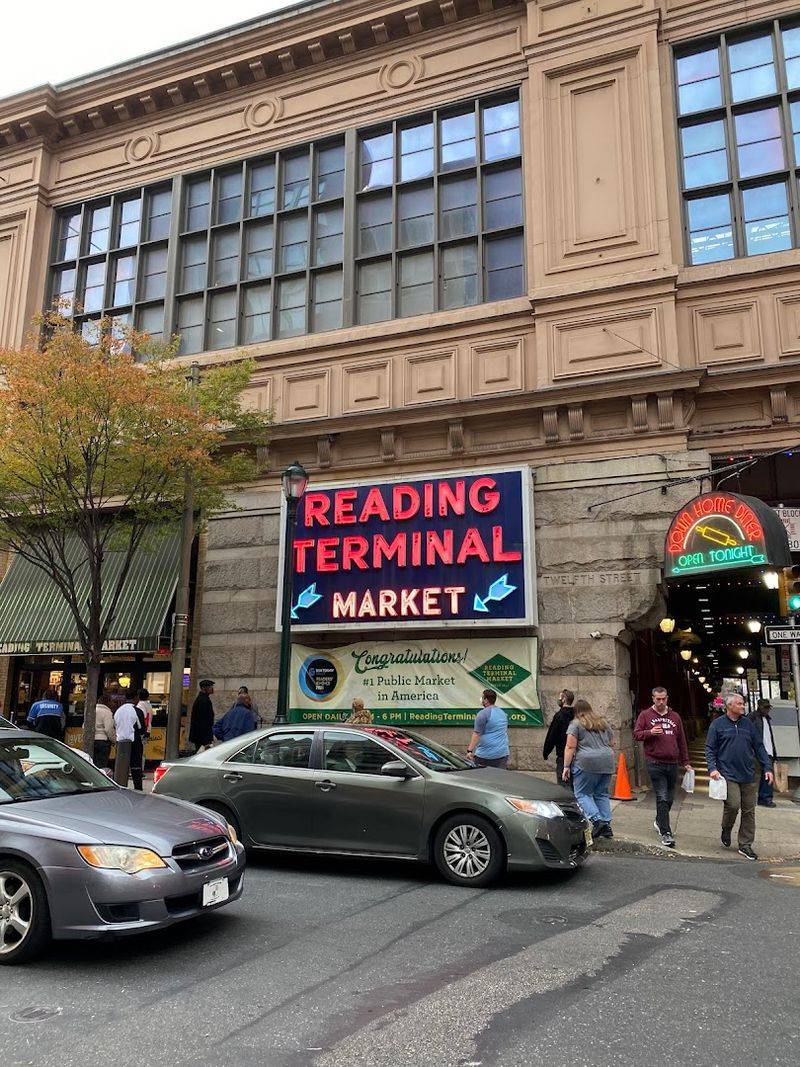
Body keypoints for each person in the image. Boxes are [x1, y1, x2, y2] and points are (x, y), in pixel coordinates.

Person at [706, 692, 774, 860]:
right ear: (729, 706)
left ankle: (745, 844)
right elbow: (710, 748)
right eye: (739, 704)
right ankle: (726, 827)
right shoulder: (717, 725)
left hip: (748, 774)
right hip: (727, 774)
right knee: (733, 805)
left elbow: (759, 747)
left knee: (749, 810)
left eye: (743, 703)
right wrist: (712, 768)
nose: (743, 706)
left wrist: (767, 767)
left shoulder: (748, 724)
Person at [633, 686, 692, 848]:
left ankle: (660, 820)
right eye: (658, 699)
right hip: (654, 762)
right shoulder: (645, 715)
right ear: (653, 699)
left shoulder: (675, 716)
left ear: (667, 698)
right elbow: (636, 734)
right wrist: (650, 732)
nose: (661, 702)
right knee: (662, 796)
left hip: (672, 762)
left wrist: (685, 761)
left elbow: (681, 740)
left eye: (663, 699)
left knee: (670, 797)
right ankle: (666, 832)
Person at [562, 698, 615, 839]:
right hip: (607, 760)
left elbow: (570, 747)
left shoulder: (575, 724)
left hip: (586, 762)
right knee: (601, 794)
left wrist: (566, 766)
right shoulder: (602, 722)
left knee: (582, 794)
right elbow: (612, 742)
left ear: (576, 711)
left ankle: (597, 821)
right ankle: (606, 826)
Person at [466, 689, 509, 768]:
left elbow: (476, 734)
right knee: (499, 775)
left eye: (482, 697)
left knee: (482, 775)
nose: (481, 699)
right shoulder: (502, 713)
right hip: (503, 754)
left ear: (486, 700)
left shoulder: (482, 714)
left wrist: (469, 751)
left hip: (485, 755)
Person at [542, 689, 575, 785]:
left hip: (563, 755)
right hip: (576, 756)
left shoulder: (559, 716)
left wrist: (546, 752)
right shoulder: (576, 715)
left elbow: (552, 736)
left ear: (564, 699)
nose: (558, 700)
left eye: (560, 698)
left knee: (563, 784)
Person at [749, 698, 778, 808]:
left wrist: (774, 752)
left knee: (767, 775)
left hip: (767, 751)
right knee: (758, 774)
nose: (767, 710)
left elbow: (769, 737)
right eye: (765, 707)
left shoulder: (767, 719)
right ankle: (763, 798)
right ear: (759, 707)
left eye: (768, 708)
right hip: (757, 750)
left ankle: (765, 798)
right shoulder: (752, 717)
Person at [113, 690, 140, 787]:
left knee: (120, 766)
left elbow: (114, 725)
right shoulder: (137, 711)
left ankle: (119, 785)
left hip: (120, 741)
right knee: (135, 766)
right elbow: (141, 728)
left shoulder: (118, 711)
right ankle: (137, 787)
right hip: (134, 741)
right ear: (135, 698)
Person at [189, 679, 215, 753]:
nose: (212, 688)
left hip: (201, 736)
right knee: (202, 755)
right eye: (210, 687)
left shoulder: (203, 699)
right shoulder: (203, 700)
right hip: (202, 737)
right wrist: (206, 739)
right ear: (204, 688)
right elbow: (203, 720)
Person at [93, 693, 116, 769]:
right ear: (108, 702)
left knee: (92, 763)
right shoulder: (107, 712)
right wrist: (114, 740)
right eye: (111, 701)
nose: (113, 704)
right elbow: (108, 729)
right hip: (103, 741)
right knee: (101, 765)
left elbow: (84, 726)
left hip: (92, 740)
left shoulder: (92, 710)